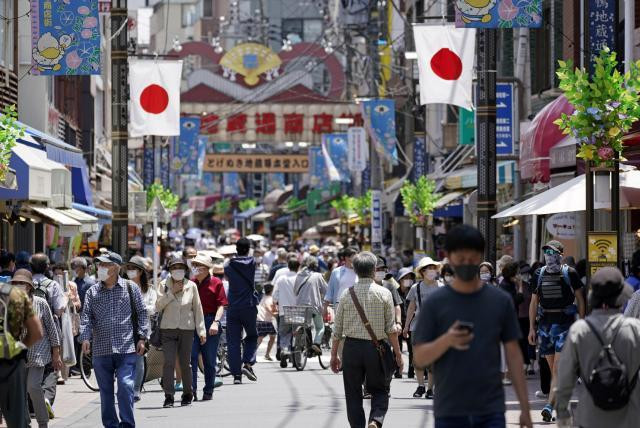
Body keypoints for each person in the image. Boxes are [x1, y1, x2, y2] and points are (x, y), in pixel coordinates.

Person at [412, 225, 532, 428]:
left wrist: (525, 408)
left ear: (480, 257)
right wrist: (447, 340)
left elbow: (513, 355)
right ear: (449, 258)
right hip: (450, 410)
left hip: (490, 409)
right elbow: (419, 357)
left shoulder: (500, 301)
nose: (466, 263)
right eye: (460, 258)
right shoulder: (436, 303)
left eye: (472, 258)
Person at [556, 267, 640, 428]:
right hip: (631, 415)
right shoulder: (635, 329)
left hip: (591, 416)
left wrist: (562, 414)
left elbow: (565, 377)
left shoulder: (579, 330)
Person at [330, 251, 403, 428]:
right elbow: (391, 330)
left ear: (355, 270)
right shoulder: (384, 293)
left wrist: (334, 355)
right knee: (380, 389)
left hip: (352, 348)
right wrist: (398, 354)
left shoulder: (346, 295)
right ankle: (375, 420)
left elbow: (337, 330)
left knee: (353, 393)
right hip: (377, 348)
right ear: (373, 270)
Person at [79, 251, 149, 428]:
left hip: (126, 348)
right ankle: (111, 424)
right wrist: (85, 337)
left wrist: (142, 337)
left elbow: (142, 313)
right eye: (99, 265)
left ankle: (127, 424)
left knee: (125, 386)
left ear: (116, 268)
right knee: (106, 392)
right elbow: (86, 317)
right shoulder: (92, 292)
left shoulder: (130, 288)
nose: (100, 268)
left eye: (105, 265)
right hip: (101, 350)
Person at [528, 240, 585, 423]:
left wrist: (581, 323)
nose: (549, 255)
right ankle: (559, 403)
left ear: (560, 254)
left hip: (565, 324)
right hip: (545, 326)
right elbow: (533, 302)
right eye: (546, 251)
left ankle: (549, 406)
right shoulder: (539, 274)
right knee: (553, 370)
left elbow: (580, 299)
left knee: (557, 369)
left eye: (552, 252)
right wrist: (532, 328)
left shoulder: (570, 273)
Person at [11, 269, 62, 428]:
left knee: (33, 386)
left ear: (29, 286)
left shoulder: (41, 302)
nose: (19, 286)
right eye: (16, 283)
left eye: (23, 283)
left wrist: (56, 354)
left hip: (38, 354)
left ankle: (42, 422)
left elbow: (52, 330)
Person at [156, 256, 205, 407]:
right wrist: (171, 292)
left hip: (187, 329)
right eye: (174, 268)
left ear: (185, 270)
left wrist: (201, 330)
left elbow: (197, 309)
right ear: (170, 270)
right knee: (169, 363)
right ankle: (169, 396)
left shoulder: (192, 286)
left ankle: (187, 393)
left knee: (186, 363)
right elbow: (157, 306)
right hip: (168, 329)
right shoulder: (163, 285)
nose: (178, 271)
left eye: (181, 268)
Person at [0, 269, 43, 428]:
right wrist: (20, 347)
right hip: (10, 362)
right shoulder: (14, 294)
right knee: (17, 421)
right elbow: (37, 332)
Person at [30, 253, 66, 417]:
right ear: (47, 267)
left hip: (29, 333)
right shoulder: (52, 285)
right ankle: (46, 399)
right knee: (52, 367)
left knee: (31, 368)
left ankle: (32, 405)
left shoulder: (24, 283)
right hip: (50, 331)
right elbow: (59, 309)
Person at [189, 254, 227, 401]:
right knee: (191, 357)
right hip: (191, 323)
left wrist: (216, 322)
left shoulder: (216, 282)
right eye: (194, 265)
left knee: (209, 359)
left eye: (198, 265)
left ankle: (208, 390)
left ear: (206, 268)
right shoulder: (190, 283)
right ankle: (191, 390)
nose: (195, 268)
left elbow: (221, 305)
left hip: (210, 320)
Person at [403, 256, 441, 399]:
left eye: (433, 268)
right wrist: (406, 325)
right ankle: (420, 385)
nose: (431, 271)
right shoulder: (416, 287)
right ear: (422, 272)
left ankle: (431, 388)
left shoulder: (442, 286)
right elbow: (411, 307)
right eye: (428, 269)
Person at [224, 237, 259, 384]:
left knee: (233, 341)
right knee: (252, 336)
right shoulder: (253, 263)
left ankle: (236, 376)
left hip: (232, 306)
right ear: (248, 248)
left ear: (236, 249)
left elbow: (227, 275)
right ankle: (247, 362)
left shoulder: (228, 265)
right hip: (249, 306)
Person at [125, 256, 156, 402]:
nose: (130, 272)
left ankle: (136, 389)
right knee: (125, 360)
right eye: (128, 269)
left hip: (142, 329)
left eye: (133, 269)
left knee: (139, 359)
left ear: (141, 272)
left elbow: (153, 307)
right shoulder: (122, 287)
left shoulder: (149, 290)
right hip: (124, 328)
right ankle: (126, 388)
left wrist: (139, 308)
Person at [294, 256, 328, 355]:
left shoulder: (299, 275)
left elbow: (295, 291)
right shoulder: (318, 276)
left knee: (306, 324)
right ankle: (316, 344)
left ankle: (306, 346)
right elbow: (326, 291)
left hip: (300, 306)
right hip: (313, 306)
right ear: (315, 265)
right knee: (320, 327)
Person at [273, 256, 300, 368]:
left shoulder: (281, 279)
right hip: (299, 311)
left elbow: (275, 296)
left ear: (288, 267)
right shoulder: (300, 278)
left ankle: (284, 349)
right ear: (298, 267)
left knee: (284, 334)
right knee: (297, 335)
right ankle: (296, 361)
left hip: (284, 311)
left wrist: (276, 302)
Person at [324, 247, 358, 317]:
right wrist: (325, 308)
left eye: (356, 257)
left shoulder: (360, 272)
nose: (354, 259)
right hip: (339, 304)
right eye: (352, 257)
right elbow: (330, 290)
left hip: (357, 305)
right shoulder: (336, 272)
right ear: (346, 258)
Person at [396, 267, 415, 378]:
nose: (408, 280)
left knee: (412, 349)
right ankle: (398, 370)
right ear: (400, 279)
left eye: (410, 278)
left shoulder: (413, 291)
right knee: (397, 348)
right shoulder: (395, 292)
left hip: (411, 324)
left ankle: (411, 371)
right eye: (405, 277)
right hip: (398, 323)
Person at [256, 283, 277, 360]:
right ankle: (265, 354)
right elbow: (268, 308)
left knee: (265, 337)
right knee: (264, 338)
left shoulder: (264, 297)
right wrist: (274, 314)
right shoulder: (269, 298)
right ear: (271, 290)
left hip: (261, 320)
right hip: (265, 321)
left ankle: (266, 354)